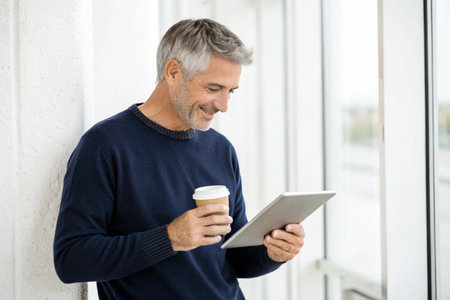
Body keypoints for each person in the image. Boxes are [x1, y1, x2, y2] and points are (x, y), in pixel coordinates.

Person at [53, 18, 305, 299]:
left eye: (230, 91)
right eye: (213, 88)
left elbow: (234, 259)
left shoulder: (221, 149)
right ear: (173, 71)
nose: (223, 105)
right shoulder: (104, 146)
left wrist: (273, 252)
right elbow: (71, 260)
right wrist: (170, 238)